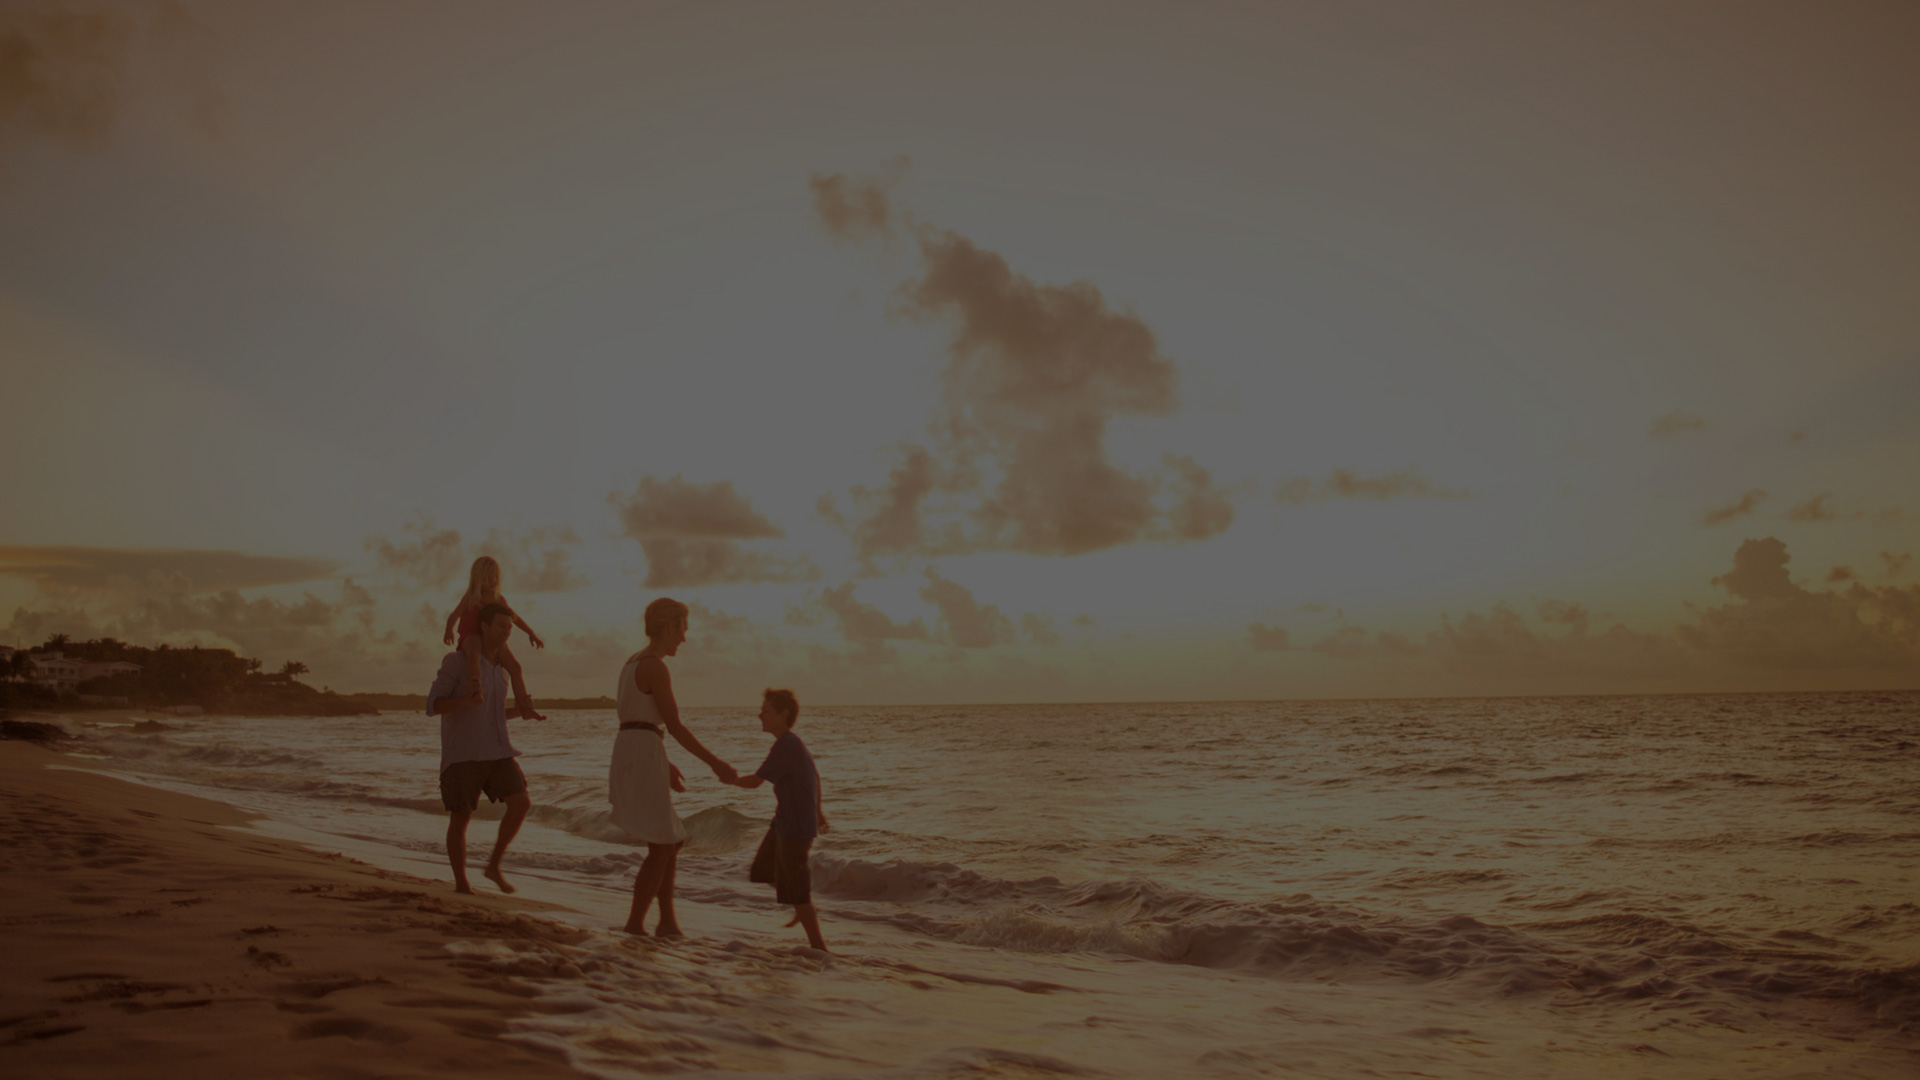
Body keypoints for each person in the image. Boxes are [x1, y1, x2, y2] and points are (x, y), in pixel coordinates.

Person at [610, 597, 737, 936]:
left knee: (670, 841)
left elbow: (639, 720)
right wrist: (715, 763)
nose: (684, 637)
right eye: (682, 629)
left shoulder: (632, 661)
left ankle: (667, 921)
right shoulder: (654, 665)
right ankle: (635, 924)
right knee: (663, 844)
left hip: (636, 748)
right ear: (668, 627)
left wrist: (663, 761)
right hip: (641, 750)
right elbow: (675, 726)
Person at [426, 602, 545, 895]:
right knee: (460, 818)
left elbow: (493, 714)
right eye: (501, 626)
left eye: (509, 627)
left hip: (498, 752)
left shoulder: (502, 670)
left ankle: (493, 866)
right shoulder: (457, 662)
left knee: (521, 803)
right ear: (484, 626)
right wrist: (465, 699)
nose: (507, 632)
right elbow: (432, 705)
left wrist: (521, 711)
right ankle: (462, 883)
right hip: (462, 755)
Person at [728, 687, 829, 951]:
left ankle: (818, 946)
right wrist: (818, 812)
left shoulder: (787, 745)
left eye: (765, 711)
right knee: (761, 869)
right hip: (783, 822)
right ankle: (799, 901)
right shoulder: (790, 743)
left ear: (783, 714)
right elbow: (815, 776)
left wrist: (729, 779)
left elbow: (755, 782)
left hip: (795, 827)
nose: (760, 716)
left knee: (797, 889)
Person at [443, 555, 545, 719]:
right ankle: (476, 690)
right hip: (470, 636)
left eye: (495, 578)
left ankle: (523, 706)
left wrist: (530, 633)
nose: (493, 581)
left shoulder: (498, 599)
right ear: (478, 579)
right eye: (488, 578)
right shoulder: (471, 597)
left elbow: (514, 618)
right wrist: (449, 630)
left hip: (492, 639)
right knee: (474, 653)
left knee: (515, 667)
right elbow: (454, 615)